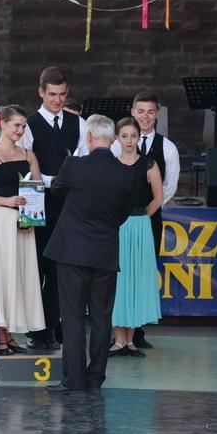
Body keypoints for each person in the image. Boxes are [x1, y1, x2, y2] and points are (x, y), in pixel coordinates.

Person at [44, 114, 134, 393]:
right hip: (105, 254)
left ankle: (73, 380)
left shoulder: (74, 165)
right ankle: (95, 379)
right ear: (114, 139)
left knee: (72, 318)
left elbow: (56, 189)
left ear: (90, 137)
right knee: (101, 318)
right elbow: (124, 213)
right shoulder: (126, 173)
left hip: (72, 252)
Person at [0, 105, 45, 355]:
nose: (20, 130)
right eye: (16, 125)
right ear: (2, 124)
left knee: (18, 276)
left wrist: (30, 218)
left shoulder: (29, 155)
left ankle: (9, 335)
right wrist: (7, 201)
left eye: (24, 126)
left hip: (22, 223)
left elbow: (36, 190)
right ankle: (1, 334)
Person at [22, 67, 88, 350]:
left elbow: (83, 161)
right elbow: (24, 167)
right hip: (37, 204)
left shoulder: (79, 123)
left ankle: (53, 326)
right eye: (52, 94)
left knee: (62, 270)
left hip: (68, 206)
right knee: (36, 268)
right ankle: (36, 330)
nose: (58, 100)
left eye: (62, 94)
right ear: (41, 92)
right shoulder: (29, 124)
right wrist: (51, 180)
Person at [111, 92, 180, 349]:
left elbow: (168, 187)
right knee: (119, 275)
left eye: (150, 112)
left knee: (141, 274)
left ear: (157, 114)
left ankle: (136, 334)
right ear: (132, 112)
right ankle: (118, 333)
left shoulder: (167, 148)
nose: (145, 116)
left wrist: (142, 216)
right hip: (119, 222)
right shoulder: (114, 151)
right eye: (141, 111)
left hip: (147, 218)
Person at [109, 118, 163, 358]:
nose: (129, 140)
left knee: (137, 281)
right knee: (119, 282)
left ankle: (130, 341)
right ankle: (118, 339)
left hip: (140, 227)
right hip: (117, 228)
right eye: (124, 136)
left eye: (133, 136)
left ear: (139, 137)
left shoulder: (149, 164)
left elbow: (158, 198)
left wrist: (141, 217)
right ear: (117, 138)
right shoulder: (112, 164)